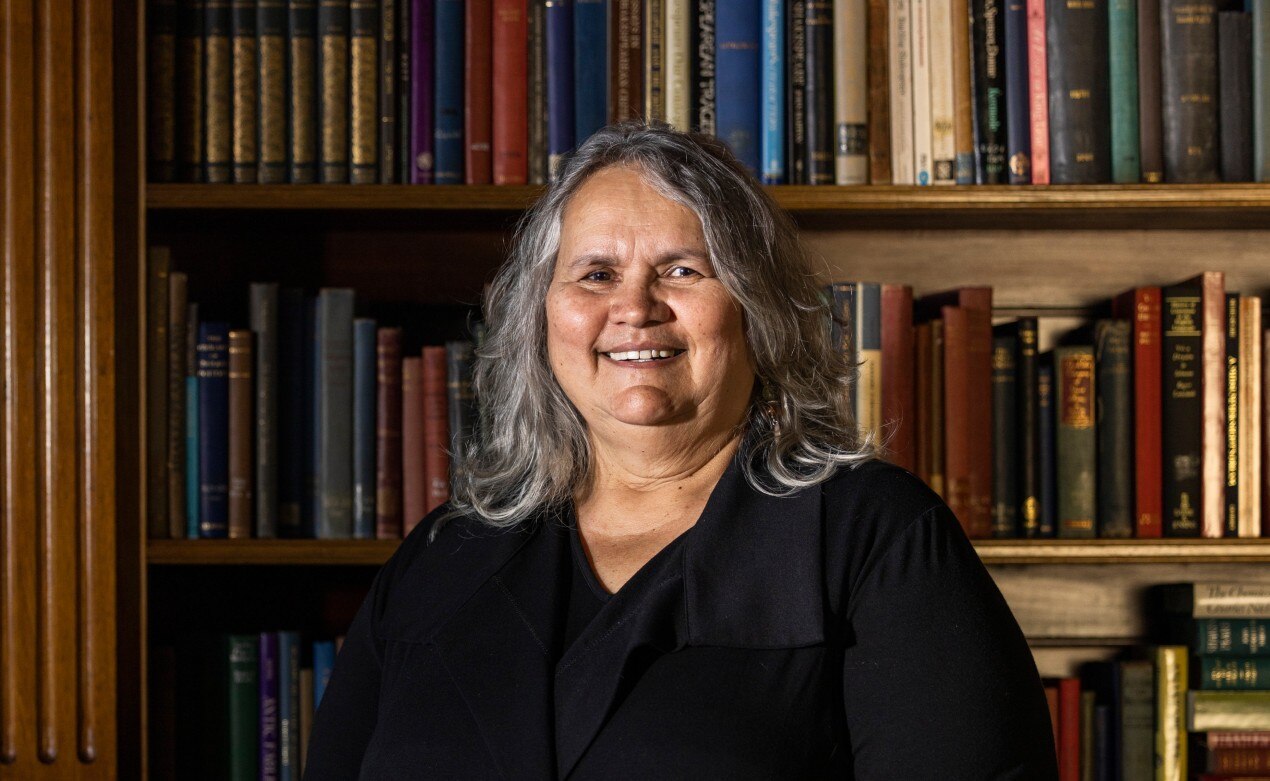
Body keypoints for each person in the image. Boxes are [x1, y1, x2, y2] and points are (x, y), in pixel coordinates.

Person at [304, 123, 1058, 779]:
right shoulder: (444, 557)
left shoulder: (874, 542)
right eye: (596, 274)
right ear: (543, 318)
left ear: (756, 308)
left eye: (681, 270)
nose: (634, 308)